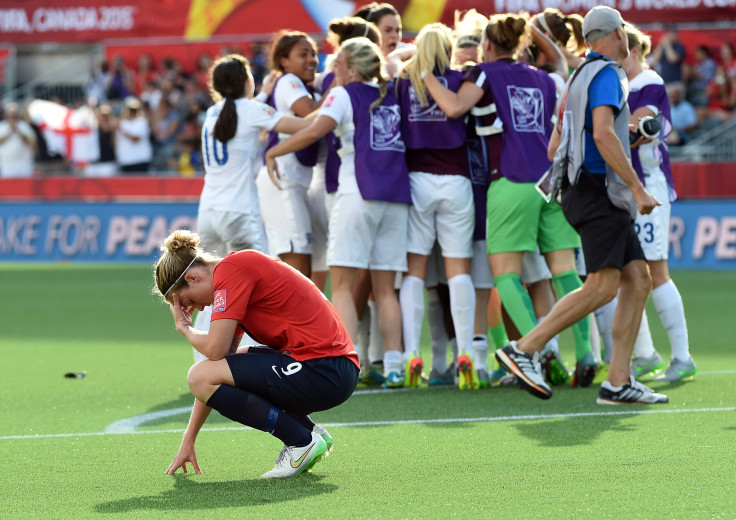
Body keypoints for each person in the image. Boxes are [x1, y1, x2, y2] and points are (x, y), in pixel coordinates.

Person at [494, 6, 668, 405]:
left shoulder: (576, 78)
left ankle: (618, 381)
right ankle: (525, 347)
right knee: (602, 286)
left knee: (638, 279)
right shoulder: (608, 73)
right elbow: (604, 135)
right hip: (598, 192)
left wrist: (627, 139)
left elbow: (559, 146)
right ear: (617, 34)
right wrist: (637, 187)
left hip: (577, 188)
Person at [422, 12, 594, 387]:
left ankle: (535, 354)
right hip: (551, 181)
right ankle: (585, 354)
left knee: (505, 277)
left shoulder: (483, 73)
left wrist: (424, 76)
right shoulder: (543, 78)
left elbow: (453, 107)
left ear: (486, 44)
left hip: (510, 180)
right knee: (565, 273)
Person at [265, 37, 411, 388]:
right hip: (396, 195)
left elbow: (316, 129)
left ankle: (348, 363)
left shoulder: (344, 94)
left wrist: (273, 151)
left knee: (343, 285)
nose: (334, 69)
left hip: (357, 193)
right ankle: (394, 365)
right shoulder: (391, 92)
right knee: (386, 289)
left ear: (354, 67)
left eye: (340, 64)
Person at [153, 229, 359, 478]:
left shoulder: (232, 270)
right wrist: (189, 439)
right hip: (330, 367)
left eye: (190, 301)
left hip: (324, 368)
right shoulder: (236, 271)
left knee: (199, 374)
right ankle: (310, 433)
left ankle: (300, 442)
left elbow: (212, 354)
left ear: (194, 278)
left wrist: (185, 329)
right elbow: (218, 364)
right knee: (232, 360)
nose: (198, 308)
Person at [191, 54, 310, 362]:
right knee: (257, 285)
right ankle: (257, 357)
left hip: (209, 212)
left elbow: (240, 119)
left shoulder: (212, 113)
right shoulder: (252, 109)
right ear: (247, 80)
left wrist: (259, 96)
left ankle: (203, 361)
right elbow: (303, 124)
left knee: (209, 287)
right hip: (240, 213)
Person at [395, 23, 477, 389]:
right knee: (459, 271)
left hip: (417, 180)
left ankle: (413, 354)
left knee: (414, 272)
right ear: (449, 48)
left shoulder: (402, 82)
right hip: (457, 179)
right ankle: (467, 356)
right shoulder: (461, 79)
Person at [621, 25, 697, 382]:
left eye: (618, 50)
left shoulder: (647, 81)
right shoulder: (626, 84)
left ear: (634, 50)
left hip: (649, 188)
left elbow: (636, 128)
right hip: (629, 188)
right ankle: (646, 354)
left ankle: (681, 356)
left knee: (655, 270)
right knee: (630, 273)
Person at [257, 31, 323, 279]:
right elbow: (308, 114)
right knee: (298, 259)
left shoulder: (308, 87)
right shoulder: (288, 82)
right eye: (303, 54)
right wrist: (337, 87)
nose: (312, 59)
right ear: (284, 60)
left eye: (314, 53)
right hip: (283, 179)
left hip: (296, 180)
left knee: (303, 260)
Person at [114, 97, 152, 174]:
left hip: (140, 160)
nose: (131, 112)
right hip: (125, 160)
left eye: (133, 110)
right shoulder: (121, 123)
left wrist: (121, 129)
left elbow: (136, 139)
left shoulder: (141, 123)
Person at [0, 103, 36, 177]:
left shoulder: (24, 126)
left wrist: (17, 130)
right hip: (7, 163)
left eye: (14, 115)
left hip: (24, 163)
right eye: (10, 115)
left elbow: (31, 142)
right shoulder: (1, 126)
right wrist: (10, 131)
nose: (12, 117)